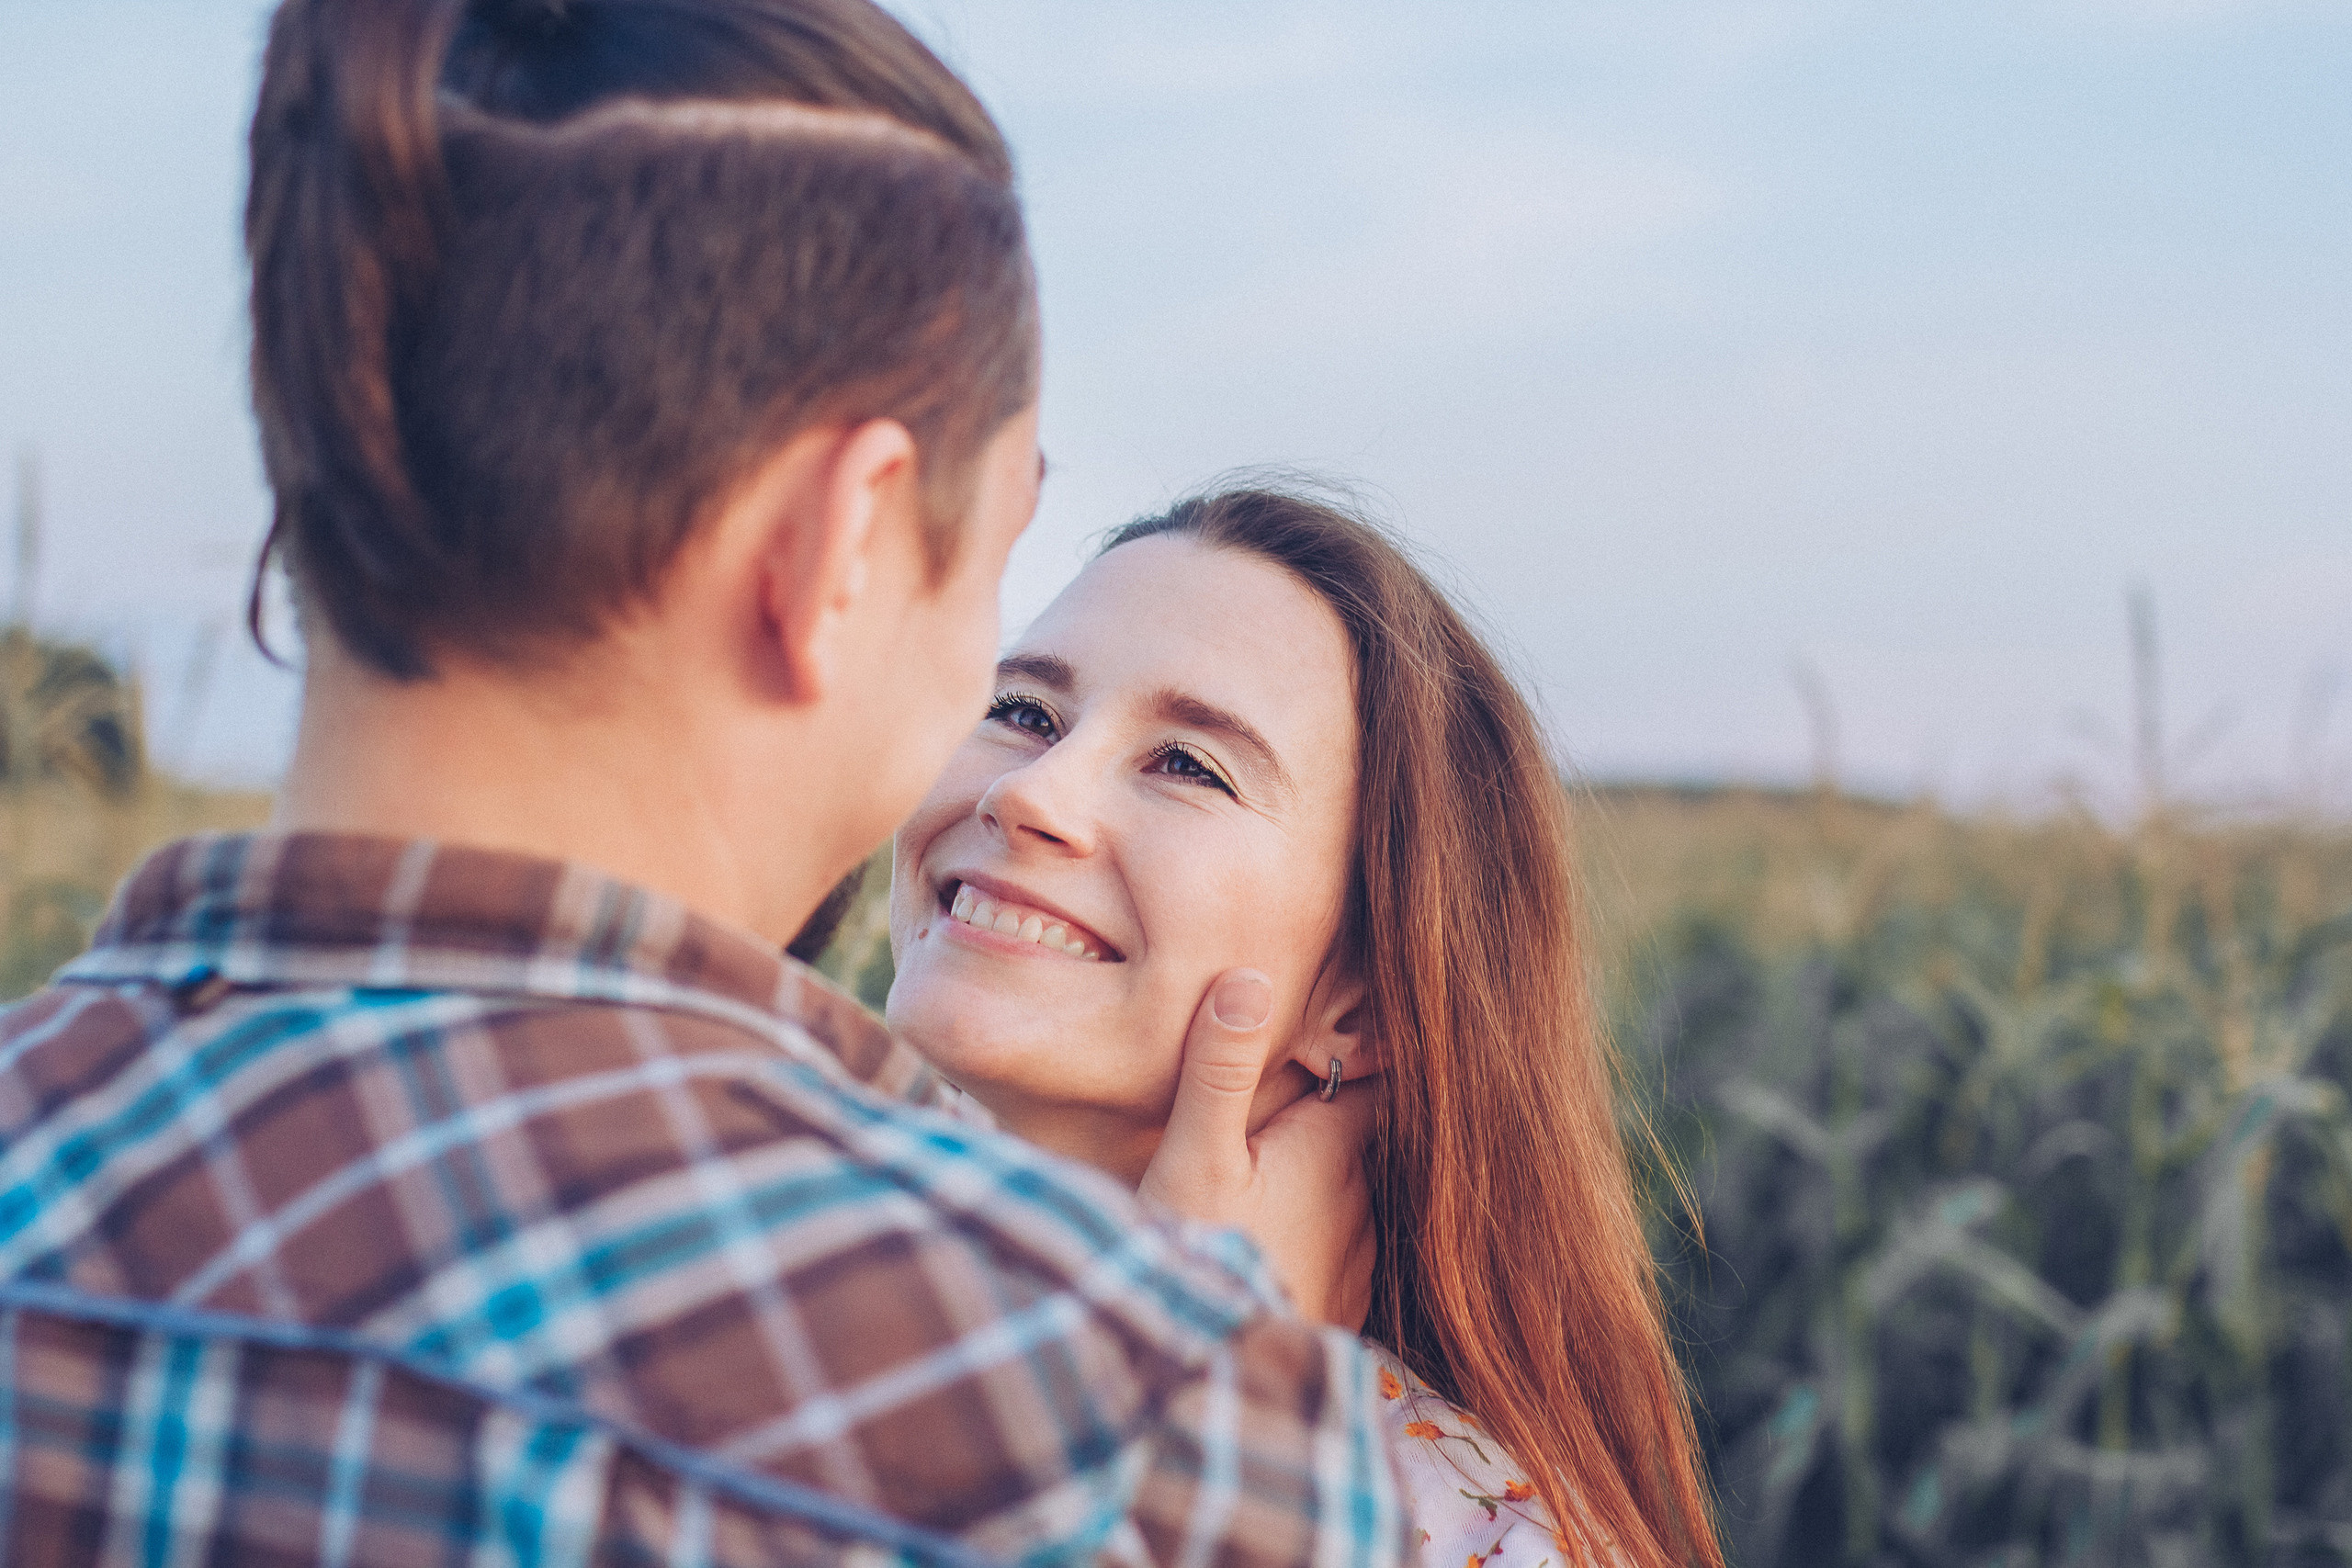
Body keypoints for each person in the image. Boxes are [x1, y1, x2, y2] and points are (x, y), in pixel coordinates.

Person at [0, 4, 1405, 1563]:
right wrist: (1166, 1338)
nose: (1026, 788)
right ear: (835, 543)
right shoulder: (1130, 1424)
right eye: (995, 573)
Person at [884, 488, 1726, 1568]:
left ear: (1362, 1001)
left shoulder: (1464, 1538)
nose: (1030, 792)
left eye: (1189, 764)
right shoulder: (734, 1247)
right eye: (1023, 711)